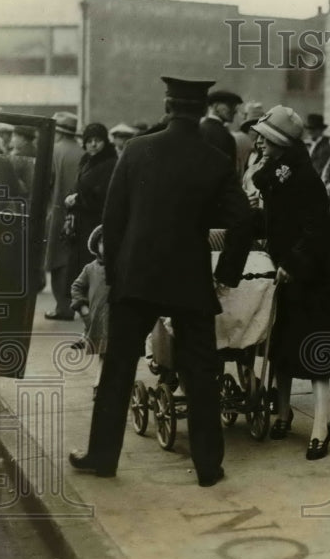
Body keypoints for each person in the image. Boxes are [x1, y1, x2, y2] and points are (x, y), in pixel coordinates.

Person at [68, 76, 253, 487]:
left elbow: (113, 221)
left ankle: (102, 456)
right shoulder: (215, 161)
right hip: (189, 278)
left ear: (167, 106)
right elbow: (243, 220)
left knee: (118, 368)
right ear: (201, 109)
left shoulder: (135, 150)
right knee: (201, 373)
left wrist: (115, 276)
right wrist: (225, 275)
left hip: (137, 276)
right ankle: (208, 466)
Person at [249, 105, 330, 459]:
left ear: (280, 142)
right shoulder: (277, 171)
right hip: (283, 270)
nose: (259, 142)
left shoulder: (303, 177)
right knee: (282, 347)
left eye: (265, 138)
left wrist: (293, 263)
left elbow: (316, 228)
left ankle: (320, 426)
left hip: (308, 275)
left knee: (313, 353)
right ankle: (282, 413)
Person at [65, 123, 118, 297]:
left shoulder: (111, 163)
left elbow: (103, 194)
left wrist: (77, 199)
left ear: (105, 142)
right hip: (81, 222)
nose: (93, 145)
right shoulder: (86, 160)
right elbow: (80, 185)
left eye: (98, 140)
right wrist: (73, 195)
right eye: (89, 141)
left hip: (96, 222)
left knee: (92, 261)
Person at [44, 113, 84, 321]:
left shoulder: (54, 152)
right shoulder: (82, 152)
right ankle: (73, 303)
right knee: (72, 259)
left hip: (58, 213)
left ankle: (62, 307)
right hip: (80, 213)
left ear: (58, 132)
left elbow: (46, 183)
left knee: (58, 261)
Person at [70, 225, 110, 397]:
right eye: (102, 242)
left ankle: (105, 384)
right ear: (96, 245)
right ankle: (99, 384)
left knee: (111, 354)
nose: (107, 246)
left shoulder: (121, 266)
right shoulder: (90, 268)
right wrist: (82, 307)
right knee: (104, 354)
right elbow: (76, 287)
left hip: (115, 318)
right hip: (98, 318)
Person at [201, 89, 241, 165]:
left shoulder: (200, 127)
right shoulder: (224, 135)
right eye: (230, 105)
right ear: (216, 106)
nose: (235, 111)